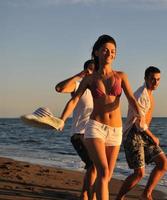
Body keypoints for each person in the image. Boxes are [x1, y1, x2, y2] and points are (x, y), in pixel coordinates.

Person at [58, 34, 143, 200]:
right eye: (105, 50)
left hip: (116, 130)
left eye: (113, 51)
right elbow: (75, 99)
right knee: (103, 172)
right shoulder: (89, 78)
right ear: (96, 52)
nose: (109, 54)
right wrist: (62, 119)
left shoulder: (121, 76)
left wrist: (141, 115)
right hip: (96, 127)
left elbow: (132, 98)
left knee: (107, 177)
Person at [116, 66, 167, 200]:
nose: (156, 82)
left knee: (164, 164)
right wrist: (153, 137)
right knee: (139, 173)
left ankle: (146, 194)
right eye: (152, 79)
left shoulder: (149, 94)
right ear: (145, 78)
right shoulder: (141, 95)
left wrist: (149, 136)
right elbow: (138, 123)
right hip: (133, 135)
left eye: (158, 79)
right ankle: (119, 198)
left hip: (143, 135)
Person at [55, 59, 97, 200]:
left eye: (95, 71)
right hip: (79, 134)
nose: (92, 73)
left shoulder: (98, 90)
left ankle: (85, 194)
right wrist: (77, 76)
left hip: (95, 135)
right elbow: (59, 88)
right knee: (93, 165)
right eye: (89, 70)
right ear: (85, 72)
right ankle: (88, 195)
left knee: (94, 166)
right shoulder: (78, 86)